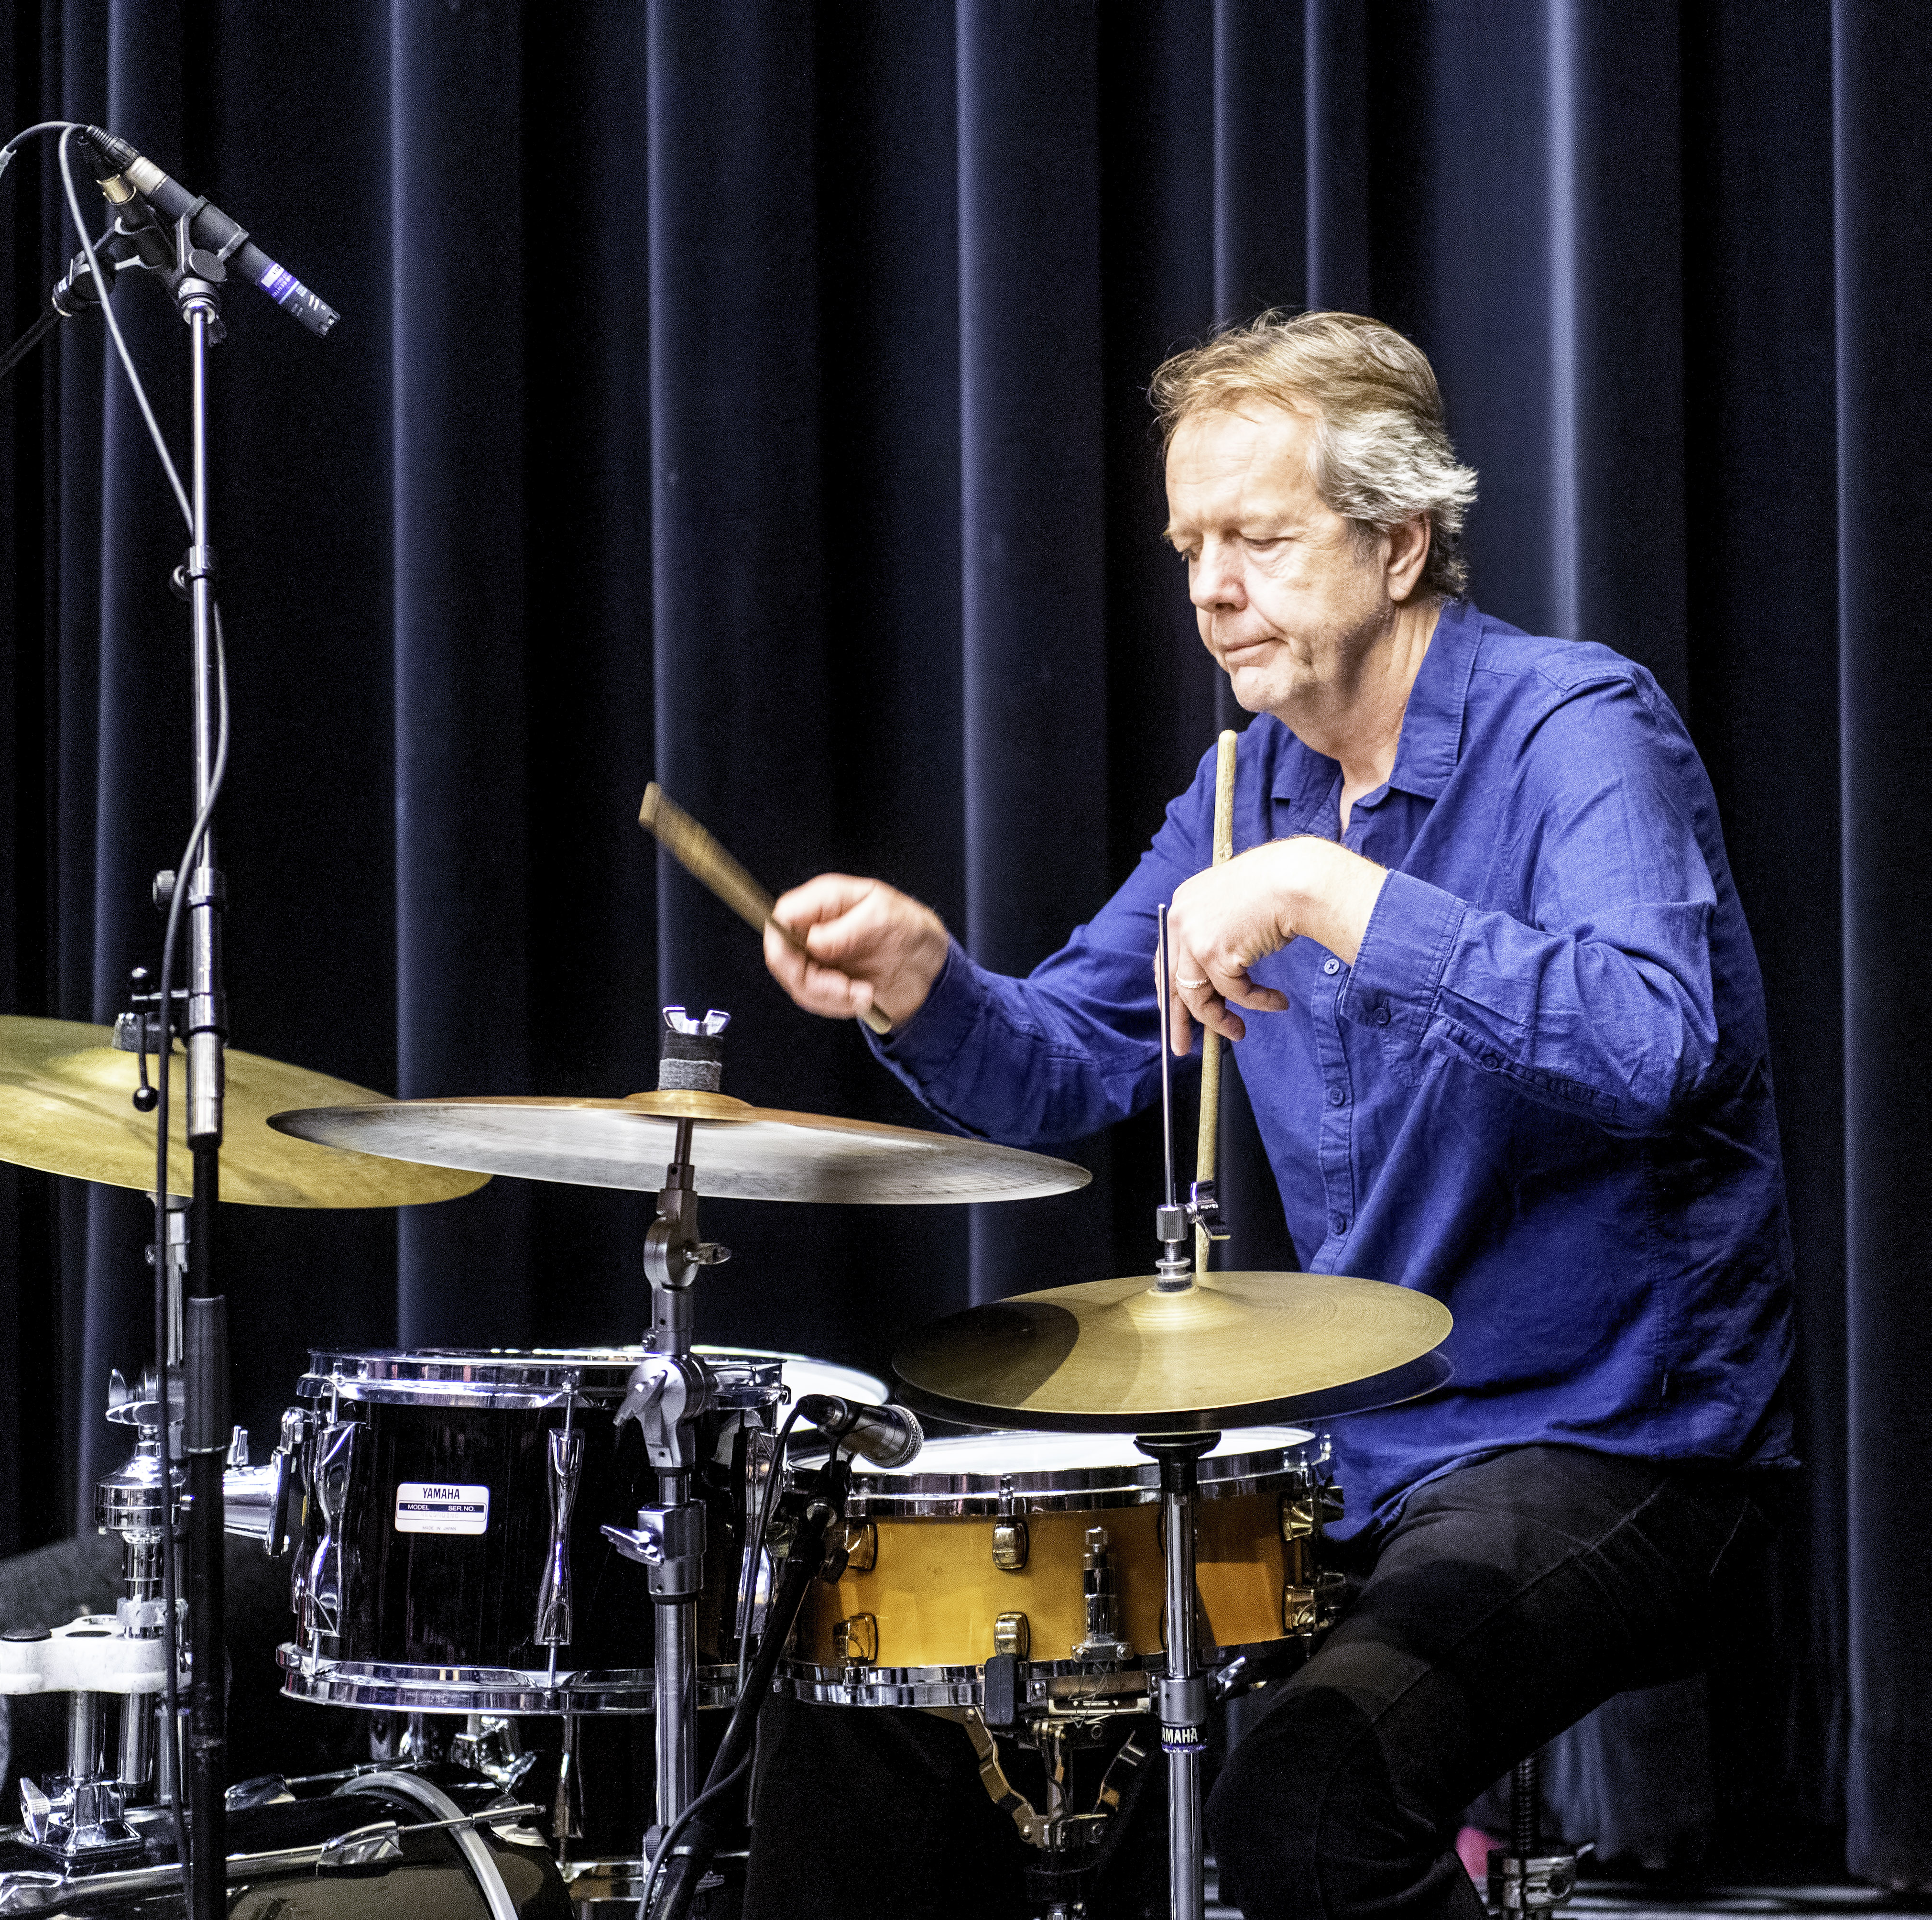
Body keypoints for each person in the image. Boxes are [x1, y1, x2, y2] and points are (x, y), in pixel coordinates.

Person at [742, 312, 1795, 1920]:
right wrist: (923, 980)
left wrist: (1331, 893)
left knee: (1308, 1799)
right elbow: (1073, 1066)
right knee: (896, 1709)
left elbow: (1657, 1042)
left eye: (1258, 538)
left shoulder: (1578, 728)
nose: (1209, 588)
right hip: (1359, 1460)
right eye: (1189, 545)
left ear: (1401, 543)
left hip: (1617, 1440)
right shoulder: (1250, 789)